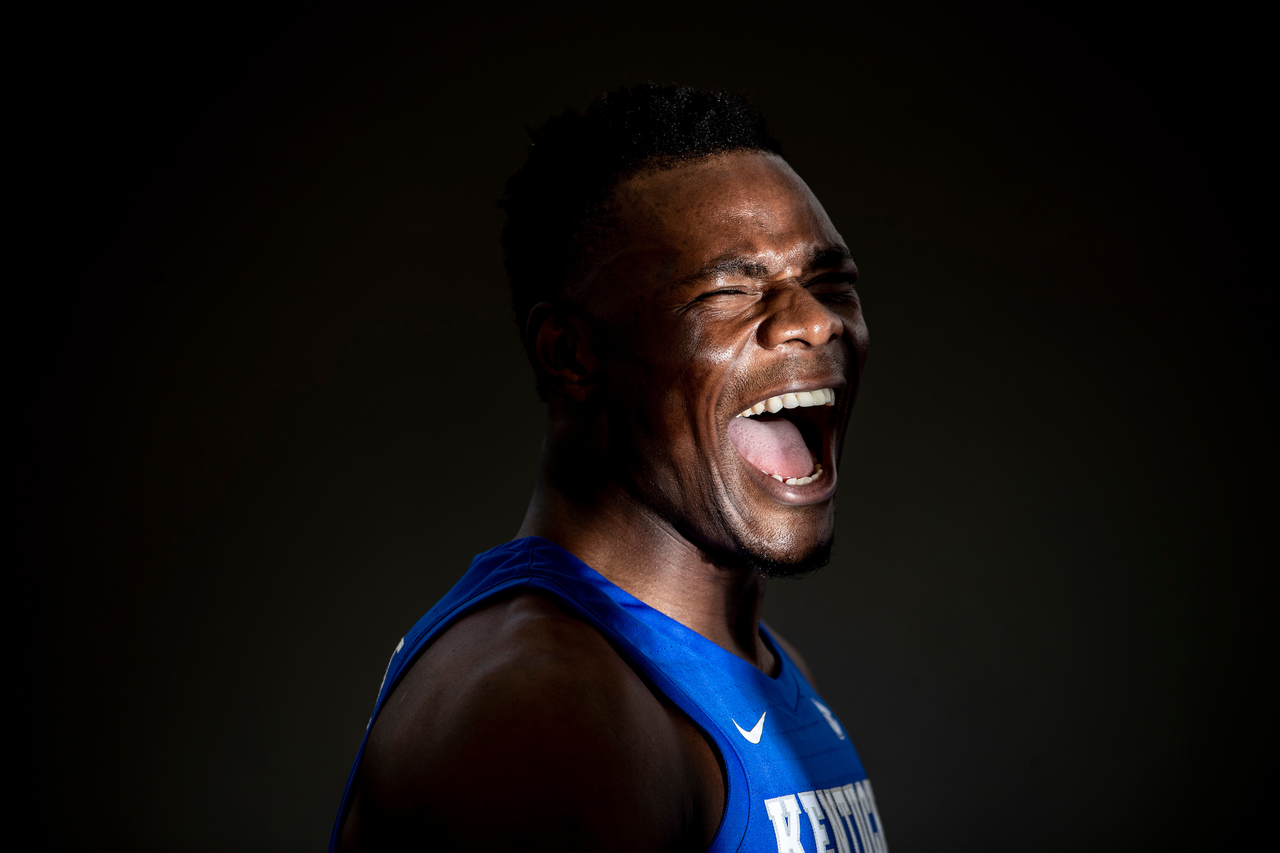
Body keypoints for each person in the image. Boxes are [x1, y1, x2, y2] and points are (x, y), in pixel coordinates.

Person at [331, 84, 887, 853]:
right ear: (571, 355)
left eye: (831, 284)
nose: (815, 321)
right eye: (730, 289)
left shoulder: (764, 667)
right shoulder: (545, 716)